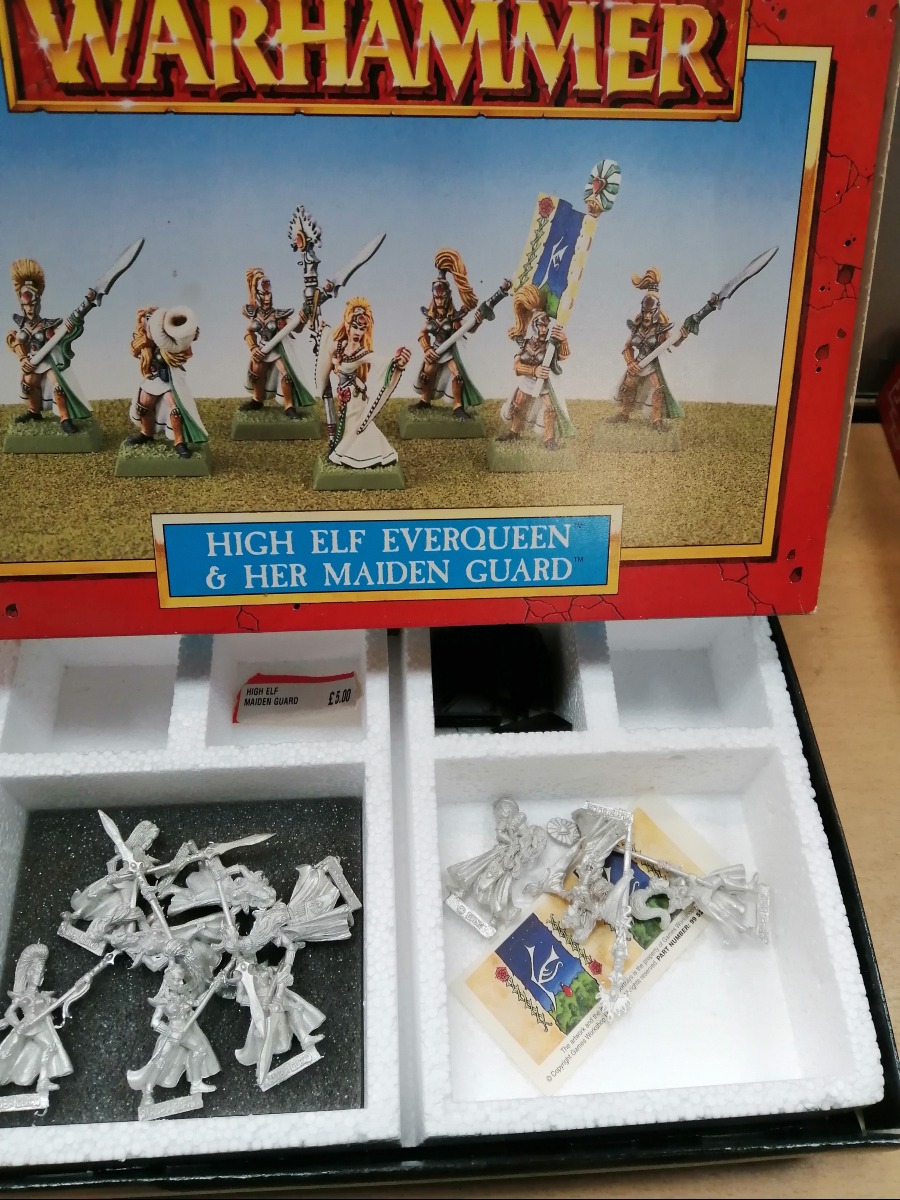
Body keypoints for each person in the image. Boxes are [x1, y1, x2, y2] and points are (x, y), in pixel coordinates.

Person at [317, 297, 410, 469]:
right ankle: (342, 450)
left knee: (357, 427)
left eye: (362, 329)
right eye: (355, 327)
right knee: (345, 426)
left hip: (355, 398)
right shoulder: (339, 346)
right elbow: (327, 346)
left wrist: (396, 362)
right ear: (347, 325)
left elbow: (380, 360)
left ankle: (366, 454)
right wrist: (323, 330)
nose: (358, 332)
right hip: (343, 396)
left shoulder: (362, 353)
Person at [6, 259, 90, 434]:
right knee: (29, 383)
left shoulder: (46, 325)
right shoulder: (21, 324)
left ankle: (65, 418)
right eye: (26, 305)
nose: (29, 308)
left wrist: (68, 329)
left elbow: (58, 339)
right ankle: (34, 411)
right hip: (31, 362)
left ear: (38, 302)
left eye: (32, 304)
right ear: (22, 305)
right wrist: (22, 359)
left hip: (47, 362)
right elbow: (16, 342)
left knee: (58, 385)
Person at [126, 961, 221, 1105]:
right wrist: (171, 1033)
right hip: (171, 1034)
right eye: (176, 980)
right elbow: (155, 1022)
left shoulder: (184, 995)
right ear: (168, 981)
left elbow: (196, 1003)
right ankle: (148, 1092)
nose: (180, 983)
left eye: (181, 980)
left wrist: (212, 988)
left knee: (200, 1050)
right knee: (160, 1062)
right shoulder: (163, 1000)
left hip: (185, 1032)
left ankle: (196, 1084)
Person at [410, 249, 485, 422]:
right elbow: (422, 334)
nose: (439, 301)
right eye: (437, 298)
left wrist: (478, 321)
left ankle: (458, 406)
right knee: (427, 372)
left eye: (442, 298)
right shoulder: (431, 317)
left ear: (448, 296)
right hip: (436, 349)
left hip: (450, 351)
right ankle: (425, 400)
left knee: (457, 375)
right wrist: (427, 349)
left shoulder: (454, 317)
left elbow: (469, 329)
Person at [497, 284, 572, 450]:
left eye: (546, 325)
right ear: (533, 325)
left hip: (544, 384)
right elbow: (517, 367)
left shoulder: (549, 346)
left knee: (550, 409)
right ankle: (514, 432)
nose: (544, 329)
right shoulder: (525, 344)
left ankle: (549, 439)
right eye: (540, 325)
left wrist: (563, 340)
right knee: (518, 404)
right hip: (527, 381)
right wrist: (533, 370)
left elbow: (563, 356)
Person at [128, 306, 208, 458]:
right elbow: (134, 350)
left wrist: (188, 335)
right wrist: (145, 341)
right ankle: (146, 433)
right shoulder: (144, 343)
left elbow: (183, 348)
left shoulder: (171, 344)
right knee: (144, 405)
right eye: (148, 321)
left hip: (169, 381)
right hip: (153, 378)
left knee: (175, 409)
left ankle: (179, 442)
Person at [610, 268, 685, 431]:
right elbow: (627, 347)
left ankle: (656, 421)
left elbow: (673, 343)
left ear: (656, 311)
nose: (648, 316)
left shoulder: (660, 330)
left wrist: (682, 336)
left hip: (652, 365)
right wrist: (630, 362)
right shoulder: (636, 328)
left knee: (657, 390)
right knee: (628, 386)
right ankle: (624, 414)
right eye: (645, 312)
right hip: (637, 363)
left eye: (651, 313)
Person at [0, 944, 73, 1103]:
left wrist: (72, 992)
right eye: (37, 973)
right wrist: (18, 1025)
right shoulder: (23, 996)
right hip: (28, 1026)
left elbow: (57, 1002)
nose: (39, 976)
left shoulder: (43, 996)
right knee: (8, 1052)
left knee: (50, 1046)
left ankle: (43, 1080)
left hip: (39, 1026)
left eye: (41, 974)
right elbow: (9, 1014)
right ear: (29, 974)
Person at [241, 268, 315, 418]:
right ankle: (257, 400)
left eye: (268, 294)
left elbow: (296, 328)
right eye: (263, 294)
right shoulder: (254, 313)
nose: (267, 298)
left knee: (286, 375)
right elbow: (248, 331)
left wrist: (302, 319)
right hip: (262, 349)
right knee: (256, 371)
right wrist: (253, 347)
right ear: (258, 295)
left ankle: (289, 406)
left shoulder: (278, 315)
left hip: (276, 350)